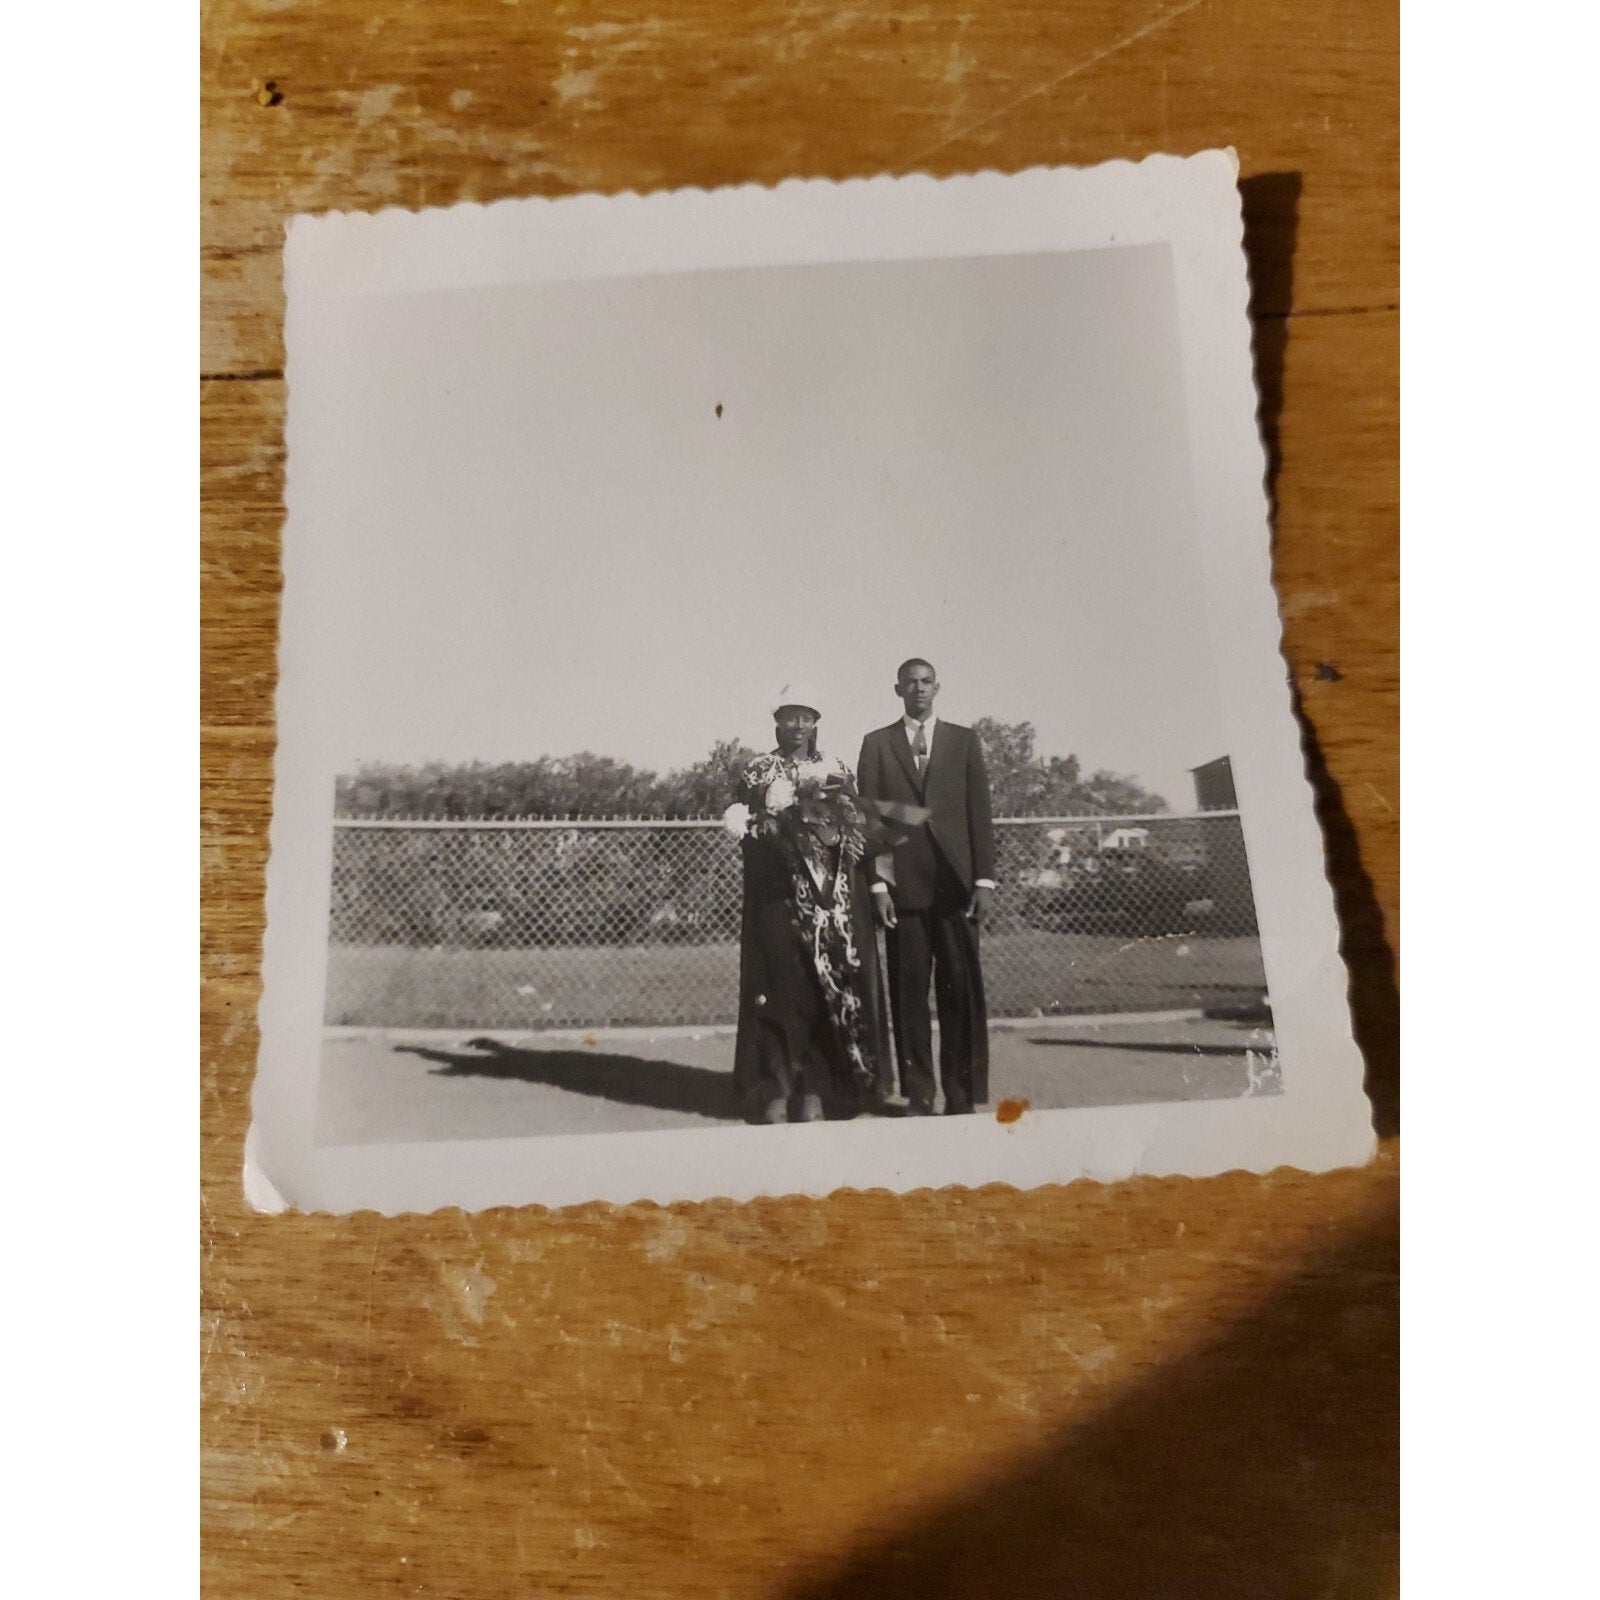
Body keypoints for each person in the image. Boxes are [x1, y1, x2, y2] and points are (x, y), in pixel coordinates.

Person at [729, 687, 893, 1123]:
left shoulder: (835, 768)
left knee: (831, 992)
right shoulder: (758, 771)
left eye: (806, 717)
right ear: (776, 722)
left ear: (816, 722)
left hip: (837, 905)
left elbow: (860, 822)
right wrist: (769, 830)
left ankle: (821, 1089)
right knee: (786, 993)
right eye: (789, 717)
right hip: (783, 902)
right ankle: (778, 1089)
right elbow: (750, 830)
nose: (798, 726)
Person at [856, 659, 995, 1115]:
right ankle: (919, 1091)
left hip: (956, 888)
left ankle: (959, 1093)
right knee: (909, 993)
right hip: (904, 891)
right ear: (897, 688)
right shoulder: (877, 744)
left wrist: (984, 880)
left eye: (926, 682)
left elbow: (979, 814)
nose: (919, 689)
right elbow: (871, 820)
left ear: (938, 687)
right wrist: (878, 886)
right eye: (910, 682)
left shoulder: (964, 741)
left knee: (960, 990)